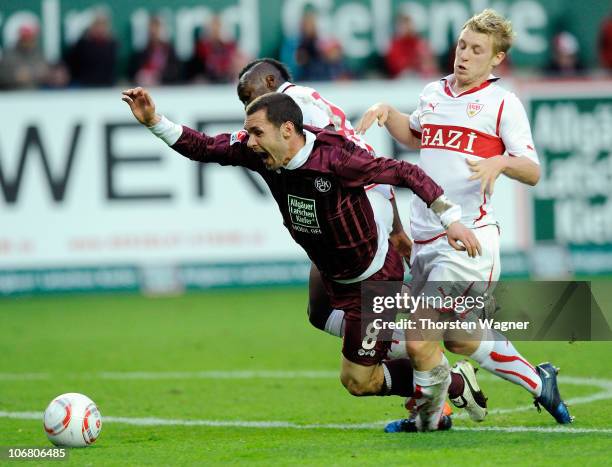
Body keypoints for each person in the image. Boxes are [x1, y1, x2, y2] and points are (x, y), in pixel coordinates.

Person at [122, 88, 482, 431]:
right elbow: (205, 147)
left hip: (372, 280)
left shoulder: (337, 158)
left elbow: (405, 172)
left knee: (358, 381)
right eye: (248, 133)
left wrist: (450, 220)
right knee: (319, 315)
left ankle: (449, 381)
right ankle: (428, 357)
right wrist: (154, 121)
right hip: (330, 270)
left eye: (256, 132)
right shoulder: (260, 150)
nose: (249, 141)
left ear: (288, 130)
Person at [236, 57, 489, 427]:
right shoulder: (297, 106)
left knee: (357, 323)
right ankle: (436, 367)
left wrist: (394, 226)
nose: (246, 108)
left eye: (248, 96)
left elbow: (363, 164)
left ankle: (437, 363)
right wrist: (397, 226)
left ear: (271, 81)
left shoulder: (293, 110)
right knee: (321, 311)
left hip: (358, 217)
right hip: (362, 209)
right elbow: (366, 158)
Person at [356, 9, 573, 429]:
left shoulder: (502, 102)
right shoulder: (433, 92)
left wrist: (500, 163)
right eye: (462, 45)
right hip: (424, 240)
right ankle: (539, 380)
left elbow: (532, 170)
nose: (465, 56)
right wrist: (387, 111)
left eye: (477, 50)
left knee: (420, 338)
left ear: (496, 59)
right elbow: (416, 135)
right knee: (456, 337)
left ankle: (428, 419)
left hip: (468, 241)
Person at [66, 11, 118, 87]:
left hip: (106, 86)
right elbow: (73, 64)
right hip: (85, 86)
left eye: (103, 25)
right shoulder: (82, 44)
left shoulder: (112, 44)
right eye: (97, 24)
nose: (100, 28)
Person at [129, 15, 181, 86]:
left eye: (156, 27)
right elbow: (134, 73)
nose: (153, 31)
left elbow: (175, 71)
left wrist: (159, 77)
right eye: (151, 28)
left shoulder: (169, 50)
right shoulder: (142, 51)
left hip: (167, 90)